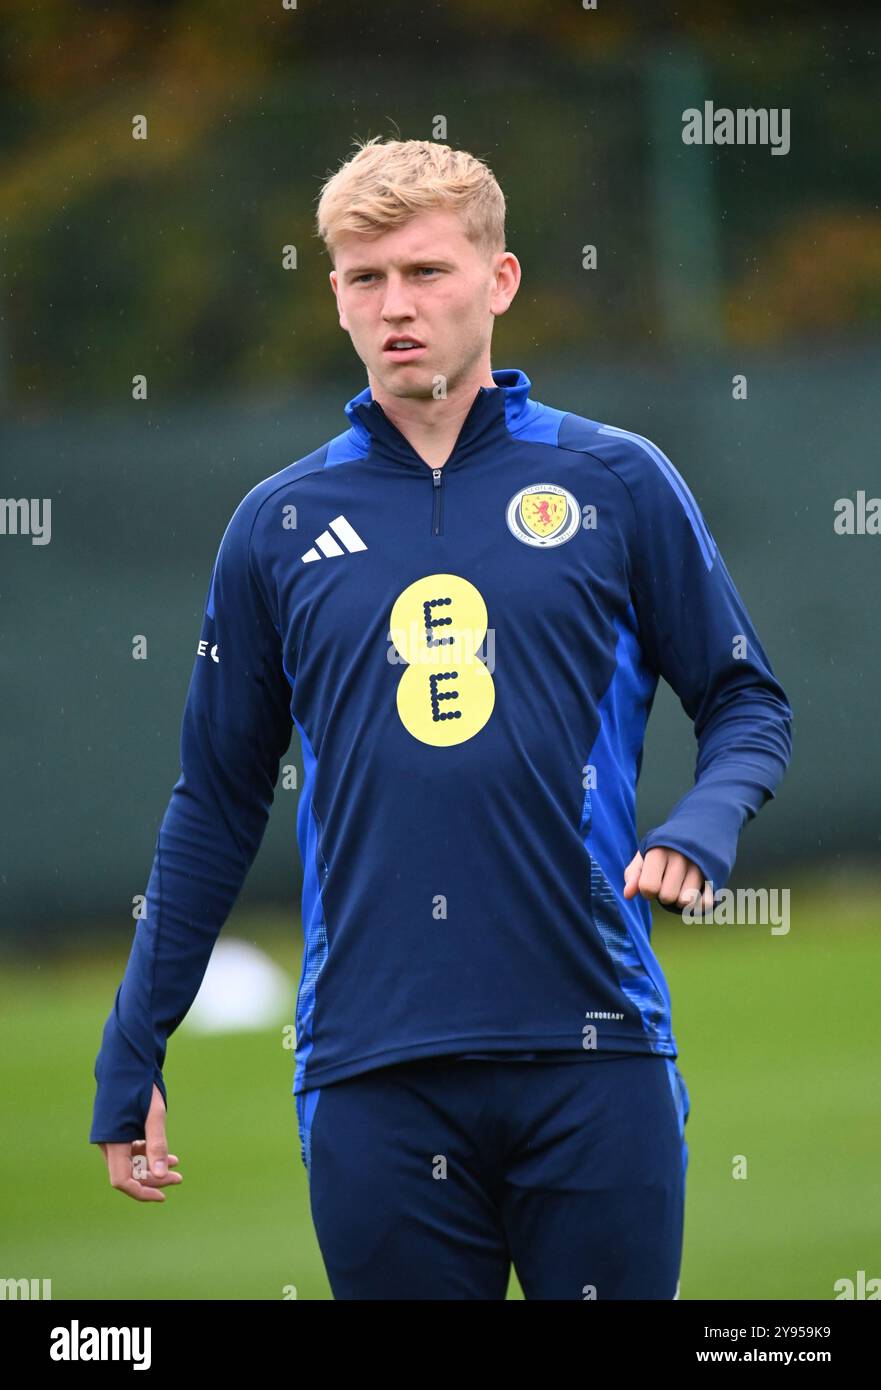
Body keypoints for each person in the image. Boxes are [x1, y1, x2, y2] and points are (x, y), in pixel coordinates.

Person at [90, 136, 793, 1299]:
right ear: (333, 298)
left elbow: (743, 698)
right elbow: (214, 801)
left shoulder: (615, 481)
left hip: (594, 1044)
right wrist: (136, 1044)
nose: (395, 306)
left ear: (498, 280)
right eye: (365, 280)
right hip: (373, 1068)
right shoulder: (274, 527)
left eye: (425, 273)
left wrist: (698, 827)